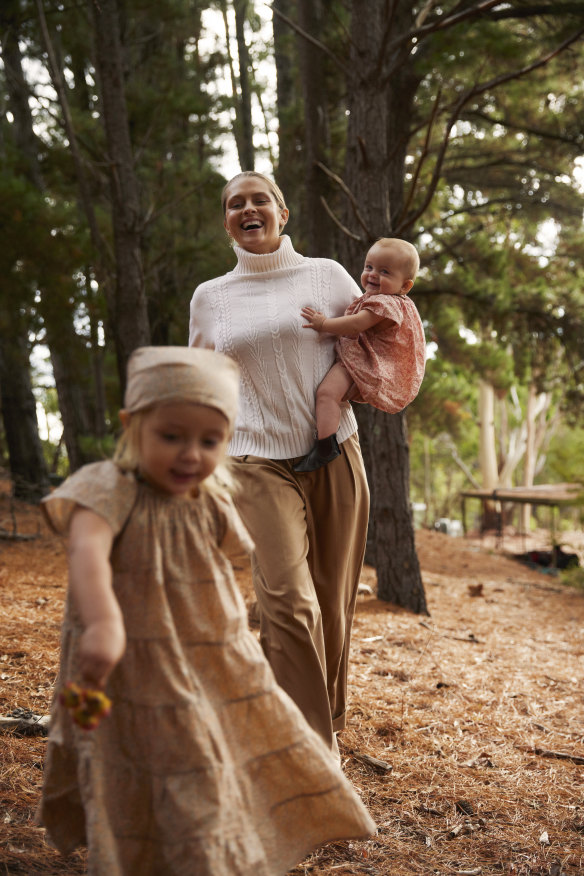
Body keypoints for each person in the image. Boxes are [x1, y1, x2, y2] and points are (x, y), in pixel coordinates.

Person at [37, 346, 375, 876]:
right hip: (127, 655)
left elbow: (237, 549)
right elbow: (86, 551)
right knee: (132, 753)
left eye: (210, 441)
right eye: (171, 436)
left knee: (207, 749)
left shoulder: (208, 497)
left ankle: (211, 846)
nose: (191, 455)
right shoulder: (107, 488)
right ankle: (144, 848)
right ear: (132, 425)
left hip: (206, 651)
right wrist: (103, 622)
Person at [189, 172, 369, 756]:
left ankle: (327, 719)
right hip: (256, 461)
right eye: (235, 204)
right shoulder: (210, 297)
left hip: (334, 453)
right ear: (227, 222)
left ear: (282, 211)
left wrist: (355, 387)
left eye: (259, 199)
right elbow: (202, 382)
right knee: (288, 601)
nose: (248, 209)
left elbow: (376, 341)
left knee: (332, 598)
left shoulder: (327, 276)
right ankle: (310, 752)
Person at [294, 237, 426, 472]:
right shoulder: (390, 301)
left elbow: (356, 325)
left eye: (385, 271)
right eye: (369, 267)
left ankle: (325, 446)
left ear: (405, 286)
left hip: (365, 361)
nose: (373, 275)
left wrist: (323, 323)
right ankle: (326, 441)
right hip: (368, 359)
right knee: (330, 396)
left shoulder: (386, 303)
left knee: (326, 394)